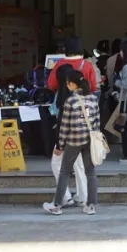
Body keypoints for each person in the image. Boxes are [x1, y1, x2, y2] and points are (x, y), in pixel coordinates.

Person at [44, 70, 100, 216]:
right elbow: (97, 122)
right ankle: (91, 206)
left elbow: (64, 126)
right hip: (89, 140)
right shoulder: (93, 99)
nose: (67, 85)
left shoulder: (70, 101)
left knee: (64, 172)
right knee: (91, 173)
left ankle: (57, 205)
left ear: (72, 84)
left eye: (68, 83)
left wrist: (60, 145)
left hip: (74, 140)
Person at [46, 63, 84, 209]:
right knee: (79, 166)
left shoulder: (62, 96)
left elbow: (60, 121)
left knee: (56, 164)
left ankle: (65, 197)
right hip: (81, 136)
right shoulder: (82, 94)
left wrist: (58, 144)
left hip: (67, 137)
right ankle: (83, 197)